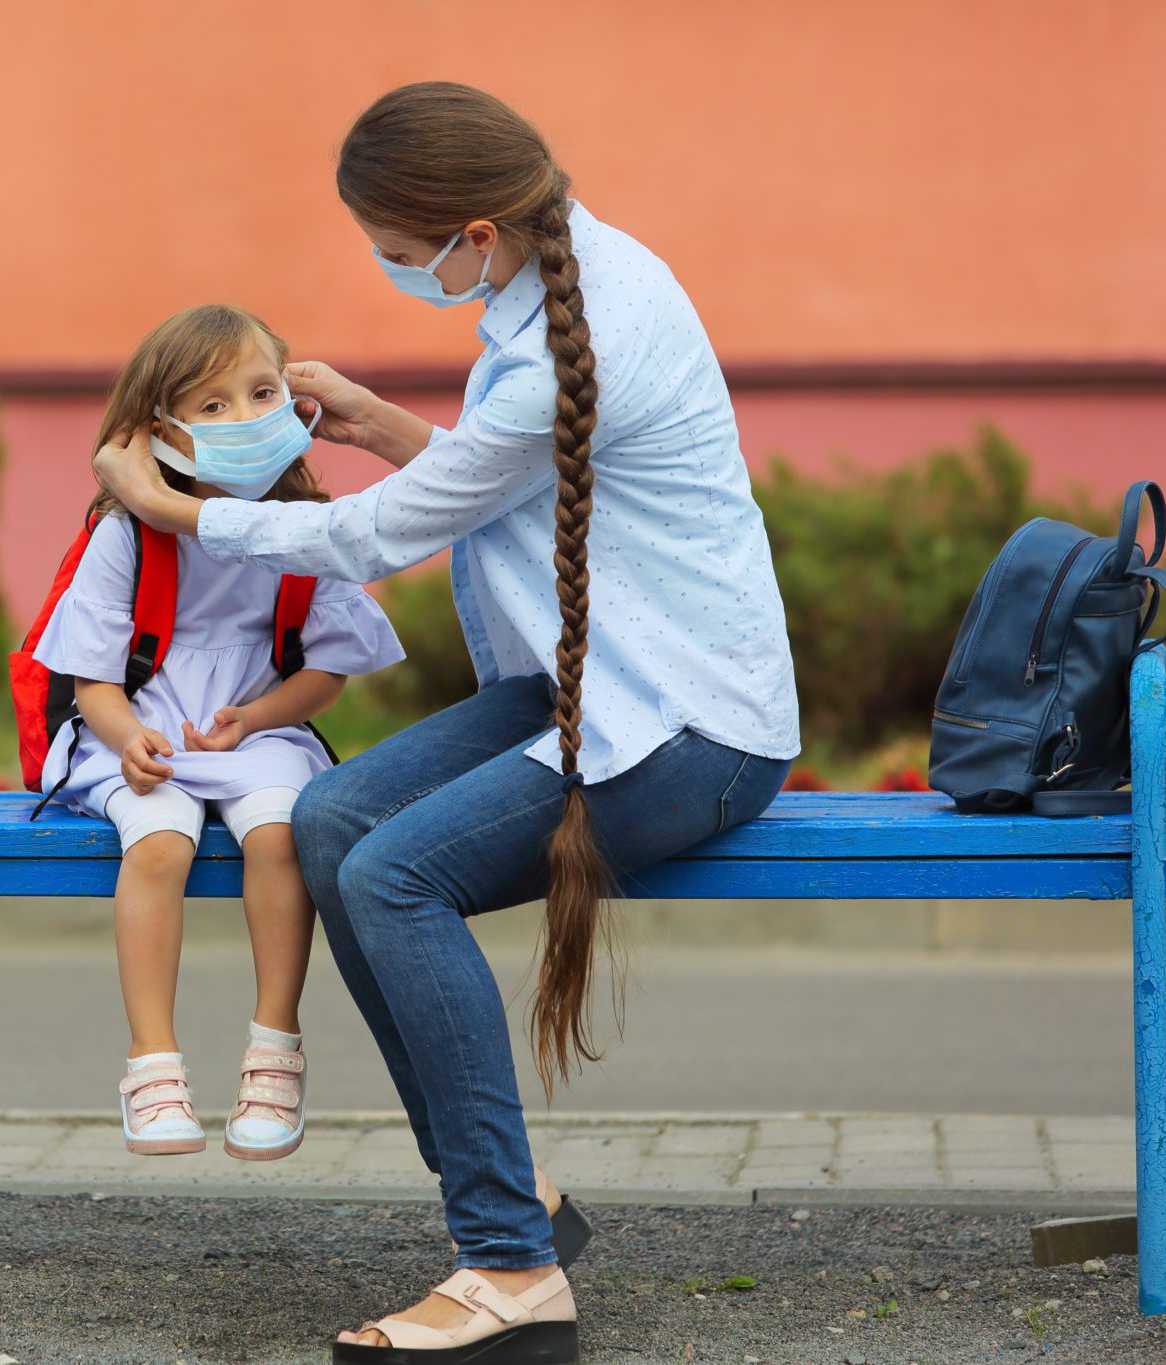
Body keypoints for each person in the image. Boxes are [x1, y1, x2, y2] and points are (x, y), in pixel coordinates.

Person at [93, 84, 799, 1362]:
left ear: (474, 231)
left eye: (398, 252)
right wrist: (376, 422)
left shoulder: (569, 338)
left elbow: (378, 536)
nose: (393, 269)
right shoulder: (574, 270)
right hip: (585, 682)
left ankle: (510, 1271)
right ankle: (505, 1193)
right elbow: (516, 475)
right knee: (329, 818)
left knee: (395, 875)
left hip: (691, 727)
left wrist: (178, 510)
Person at [34, 303, 404, 1162]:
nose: (243, 417)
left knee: (284, 834)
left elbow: (326, 671)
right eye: (211, 406)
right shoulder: (128, 533)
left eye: (262, 391)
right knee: (157, 842)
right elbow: (92, 679)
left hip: (255, 732)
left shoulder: (307, 529)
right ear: (155, 432)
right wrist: (126, 736)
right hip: (142, 725)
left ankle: (275, 1049)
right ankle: (152, 1063)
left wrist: (261, 716)